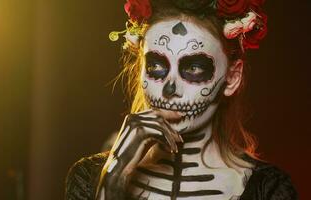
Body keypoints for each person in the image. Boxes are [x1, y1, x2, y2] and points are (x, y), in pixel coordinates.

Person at [65, 0, 298, 199]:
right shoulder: (89, 176)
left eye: (194, 68)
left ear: (232, 77)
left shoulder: (267, 189)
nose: (170, 87)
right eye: (156, 65)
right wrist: (114, 177)